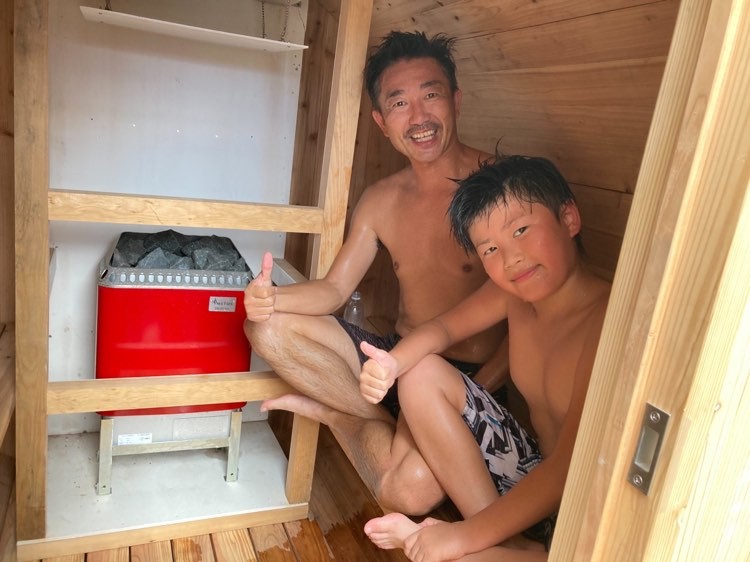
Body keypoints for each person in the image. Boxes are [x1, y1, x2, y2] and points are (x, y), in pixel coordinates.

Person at [243, 31, 509, 515]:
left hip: (466, 378)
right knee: (264, 328)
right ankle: (373, 417)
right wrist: (270, 299)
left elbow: (531, 310)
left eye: (431, 95)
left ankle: (339, 416)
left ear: (456, 100)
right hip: (392, 358)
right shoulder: (382, 198)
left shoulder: (501, 186)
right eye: (400, 103)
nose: (419, 117)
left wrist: (476, 394)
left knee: (406, 493)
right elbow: (334, 289)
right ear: (382, 122)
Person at [360, 155, 611, 560]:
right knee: (420, 372)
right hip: (533, 471)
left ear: (568, 219)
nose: (511, 258)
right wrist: (392, 363)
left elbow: (569, 466)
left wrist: (461, 538)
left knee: (458, 556)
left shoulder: (608, 322)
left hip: (590, 508)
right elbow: (443, 329)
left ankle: (484, 547)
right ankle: (502, 544)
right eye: (491, 248)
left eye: (522, 230)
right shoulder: (514, 293)